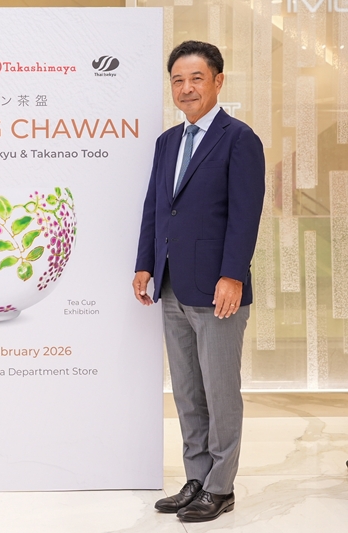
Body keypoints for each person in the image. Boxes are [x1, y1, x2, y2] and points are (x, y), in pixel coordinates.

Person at [132, 41, 265, 523]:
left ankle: (221, 487)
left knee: (220, 391)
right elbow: (155, 207)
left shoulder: (239, 139)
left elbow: (245, 216)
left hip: (217, 289)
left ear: (218, 81)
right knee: (188, 390)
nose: (186, 88)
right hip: (171, 285)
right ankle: (196, 478)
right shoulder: (167, 141)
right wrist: (145, 264)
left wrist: (232, 275)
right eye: (178, 80)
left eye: (196, 78)